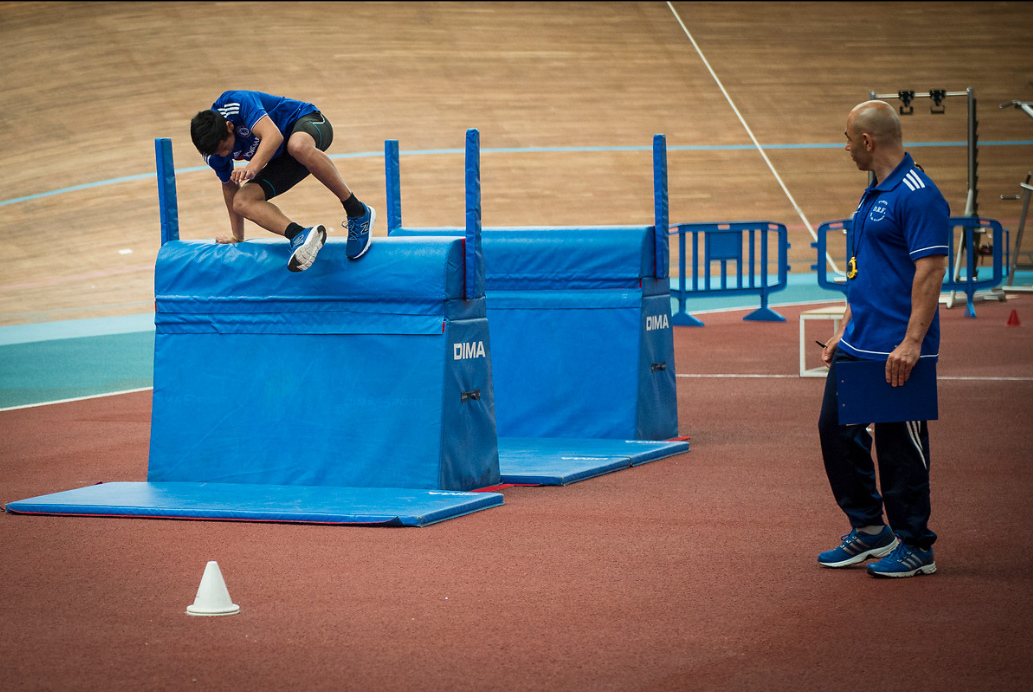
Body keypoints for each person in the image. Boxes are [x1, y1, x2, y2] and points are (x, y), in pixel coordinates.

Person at [816, 100, 949, 578]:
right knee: (834, 430)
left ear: (867, 142)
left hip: (898, 350)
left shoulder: (919, 195)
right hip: (860, 342)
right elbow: (862, 270)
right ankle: (871, 531)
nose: (845, 147)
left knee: (899, 449)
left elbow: (931, 269)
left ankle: (916, 544)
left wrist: (913, 342)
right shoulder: (871, 194)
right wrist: (845, 327)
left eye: (848, 139)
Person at [190, 90, 375, 272]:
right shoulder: (213, 154)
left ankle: (357, 211)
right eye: (218, 153)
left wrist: (252, 167)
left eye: (225, 148)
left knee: (298, 145)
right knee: (241, 201)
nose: (224, 155)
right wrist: (237, 237)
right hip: (283, 158)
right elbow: (229, 187)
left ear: (230, 126)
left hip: (308, 124)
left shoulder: (237, 102)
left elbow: (273, 135)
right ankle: (299, 235)